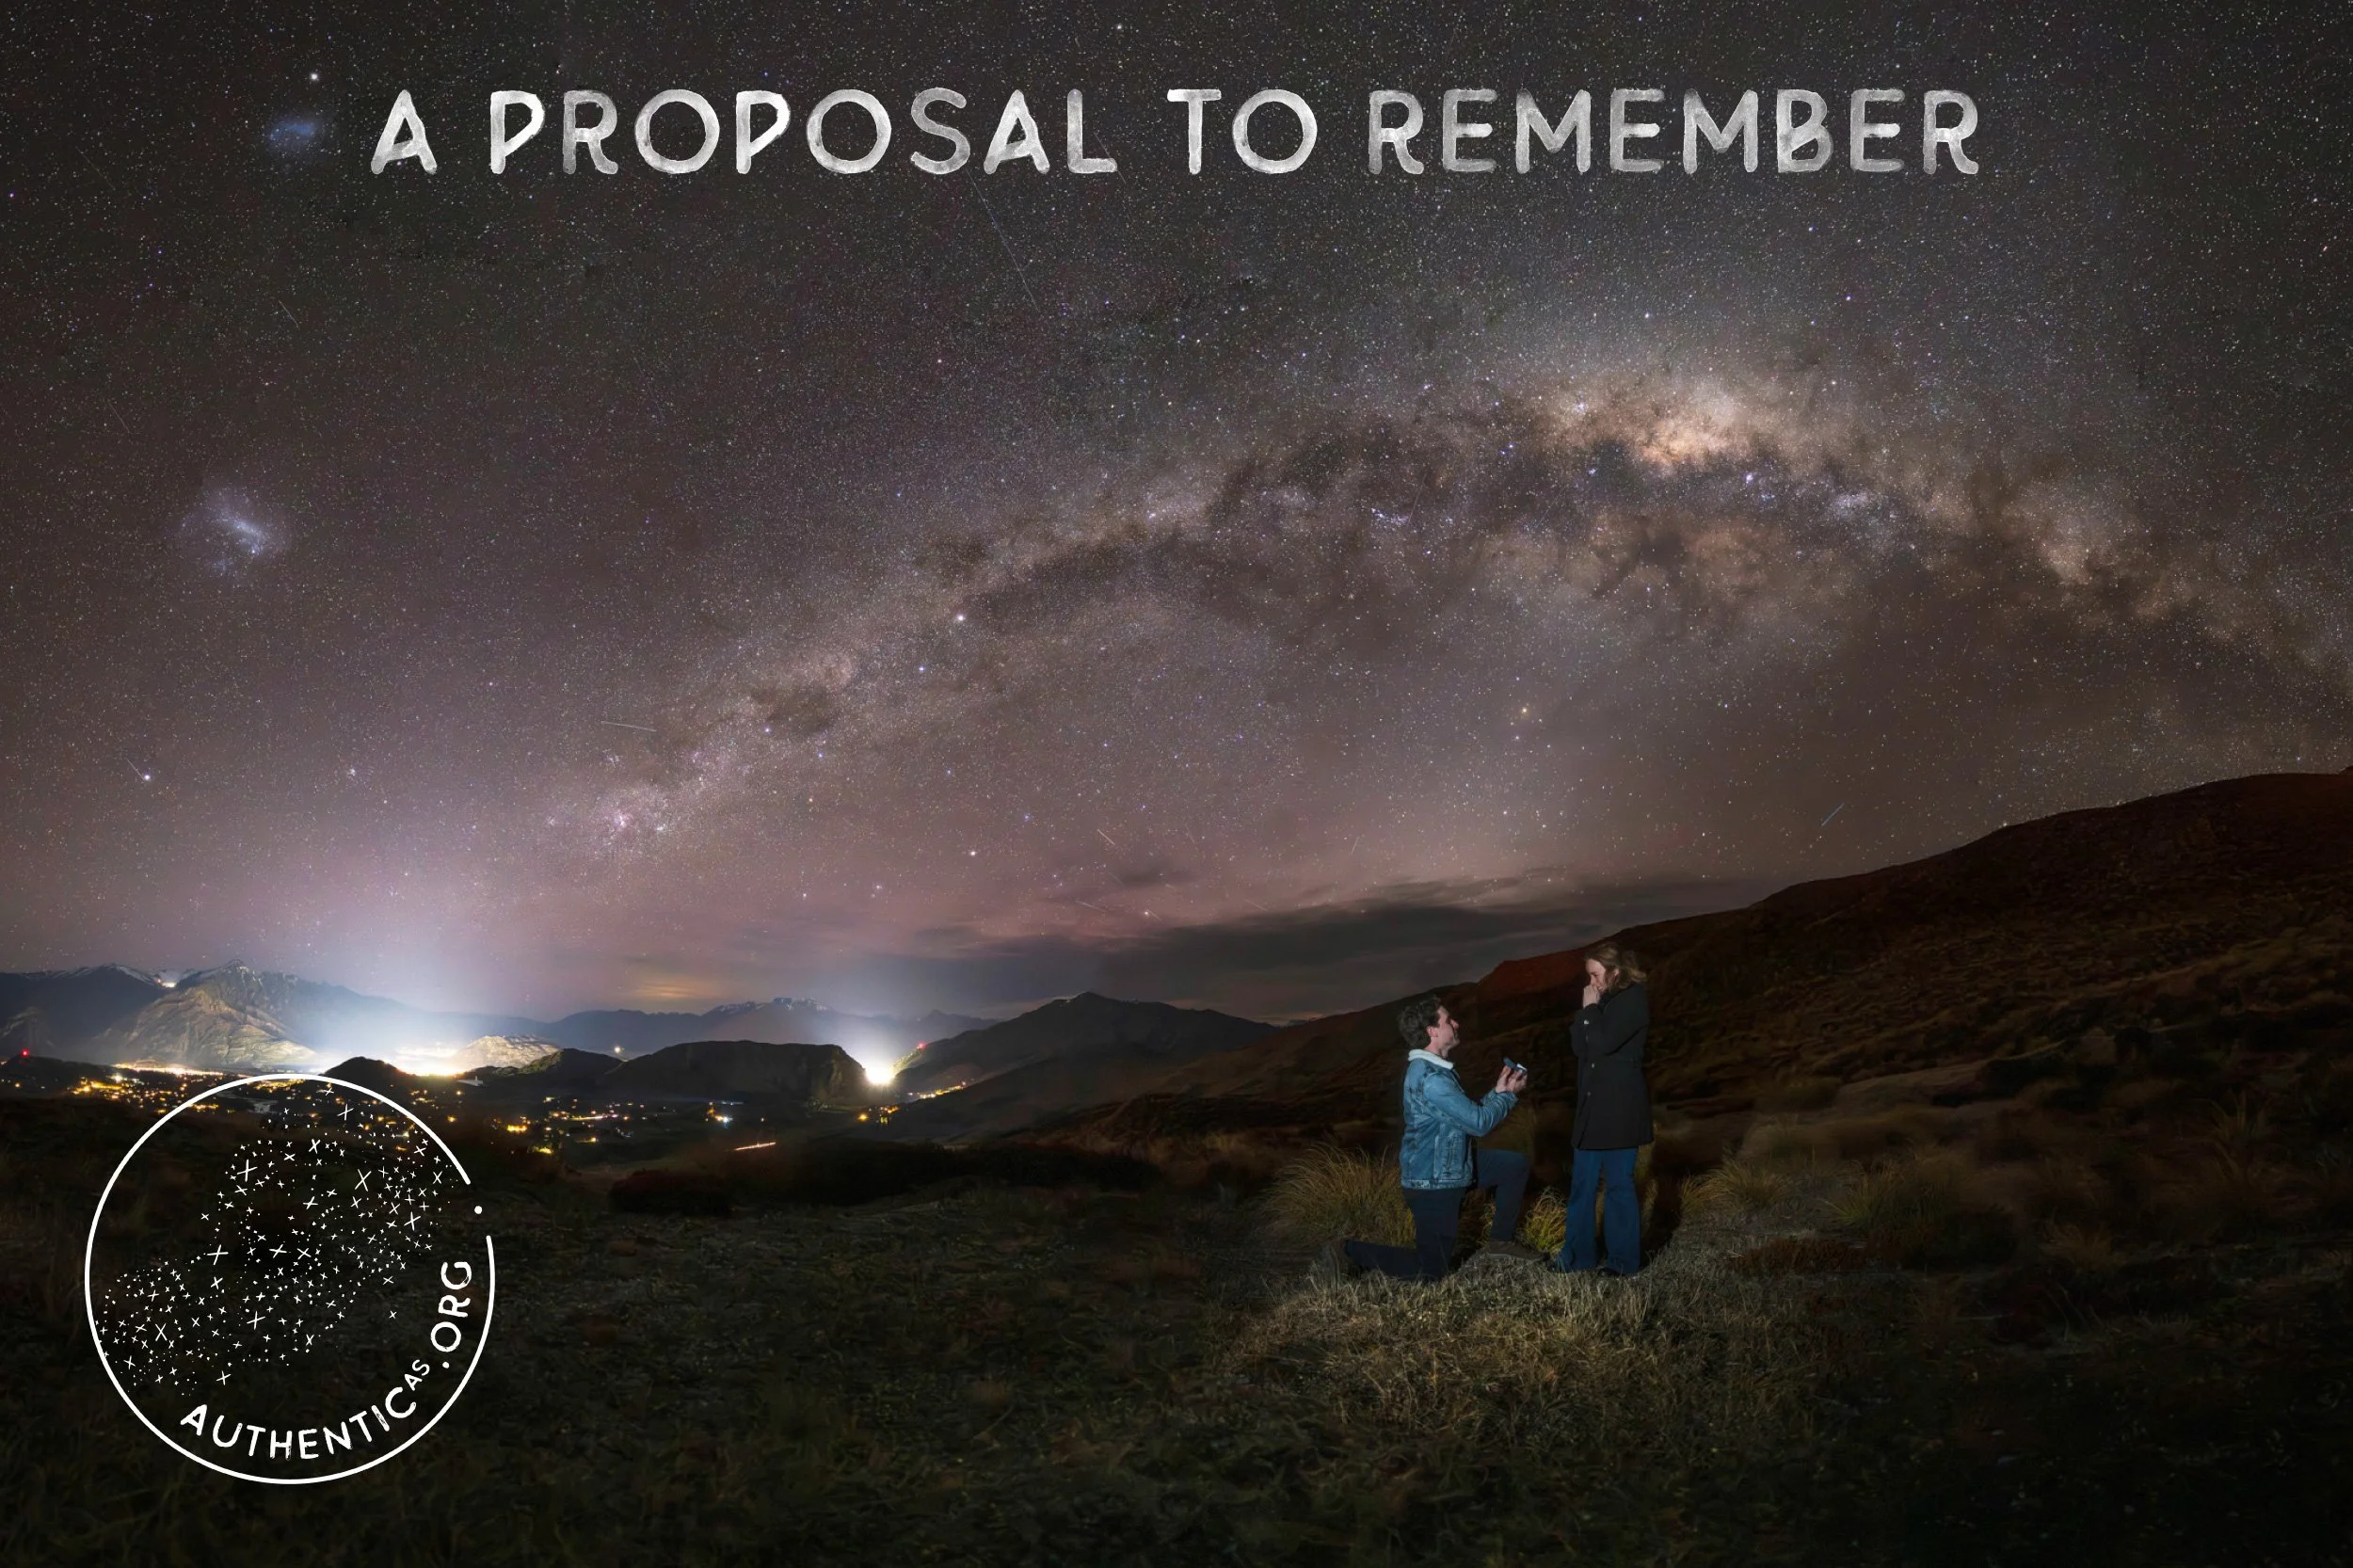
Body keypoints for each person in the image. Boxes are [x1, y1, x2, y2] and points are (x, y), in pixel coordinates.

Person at [1337, 995, 1534, 1281]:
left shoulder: (1435, 1072)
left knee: (1514, 1165)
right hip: (1433, 1180)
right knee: (1431, 1271)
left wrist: (1499, 1092)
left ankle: (1500, 1241)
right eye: (1448, 1019)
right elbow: (1478, 1124)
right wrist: (1509, 1098)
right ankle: (1348, 1251)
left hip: (1453, 1165)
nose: (1456, 1023)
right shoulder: (1432, 1079)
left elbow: (1466, 1114)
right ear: (1432, 1030)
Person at [1556, 942, 1652, 1276]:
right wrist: (1587, 1013)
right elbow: (1578, 1046)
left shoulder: (1633, 1000)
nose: (1592, 983)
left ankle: (1623, 1263)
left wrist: (1589, 1011)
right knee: (1581, 1186)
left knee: (1618, 1187)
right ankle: (1576, 1258)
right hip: (1591, 1111)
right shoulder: (1600, 1002)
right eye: (1589, 976)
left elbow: (1600, 1044)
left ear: (1615, 972)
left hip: (1619, 1112)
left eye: (1596, 975)